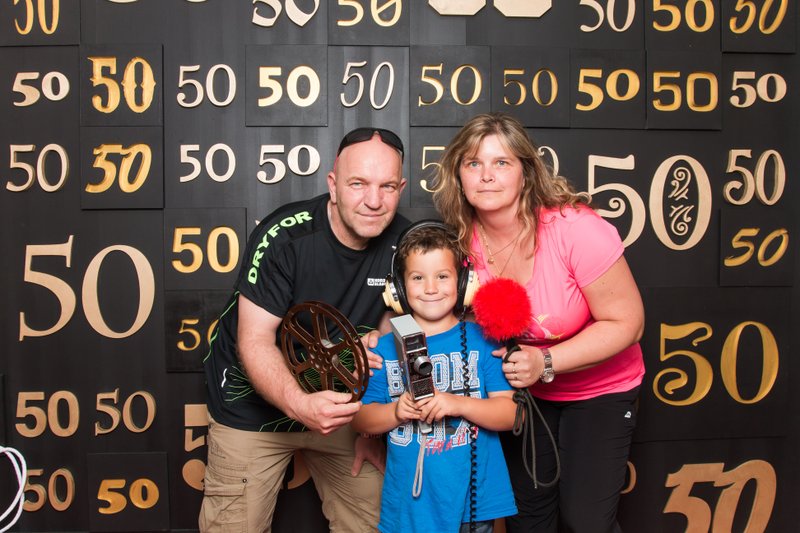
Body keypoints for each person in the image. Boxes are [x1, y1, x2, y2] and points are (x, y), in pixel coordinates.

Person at [432, 113, 645, 533]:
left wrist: (544, 362)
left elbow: (628, 322)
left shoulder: (574, 229)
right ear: (458, 176)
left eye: (501, 163)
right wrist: (383, 338)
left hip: (599, 390)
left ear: (526, 173)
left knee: (586, 522)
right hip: (525, 397)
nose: (486, 175)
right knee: (527, 521)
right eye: (473, 163)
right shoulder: (459, 242)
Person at [200, 127, 409, 532]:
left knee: (376, 524)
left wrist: (370, 428)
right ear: (333, 185)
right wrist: (299, 404)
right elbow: (254, 340)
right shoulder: (285, 236)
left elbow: (392, 330)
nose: (373, 200)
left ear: (400, 189)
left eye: (387, 187)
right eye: (358, 184)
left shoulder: (406, 243)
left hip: (343, 408)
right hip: (254, 408)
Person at [352, 221, 518, 533]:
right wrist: (395, 411)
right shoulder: (382, 349)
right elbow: (360, 420)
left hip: (474, 503)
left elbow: (511, 413)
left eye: (442, 276)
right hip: (409, 502)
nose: (431, 288)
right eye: (418, 278)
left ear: (464, 283)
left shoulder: (485, 341)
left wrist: (458, 404)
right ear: (398, 288)